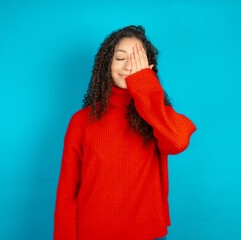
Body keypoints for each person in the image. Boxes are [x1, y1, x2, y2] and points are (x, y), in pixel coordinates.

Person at [54, 25, 196, 240]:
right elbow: (66, 193)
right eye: (120, 58)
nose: (129, 66)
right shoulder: (80, 121)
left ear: (148, 68)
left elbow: (176, 142)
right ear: (106, 65)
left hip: (148, 234)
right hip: (93, 234)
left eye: (137, 60)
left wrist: (145, 87)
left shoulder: (159, 116)